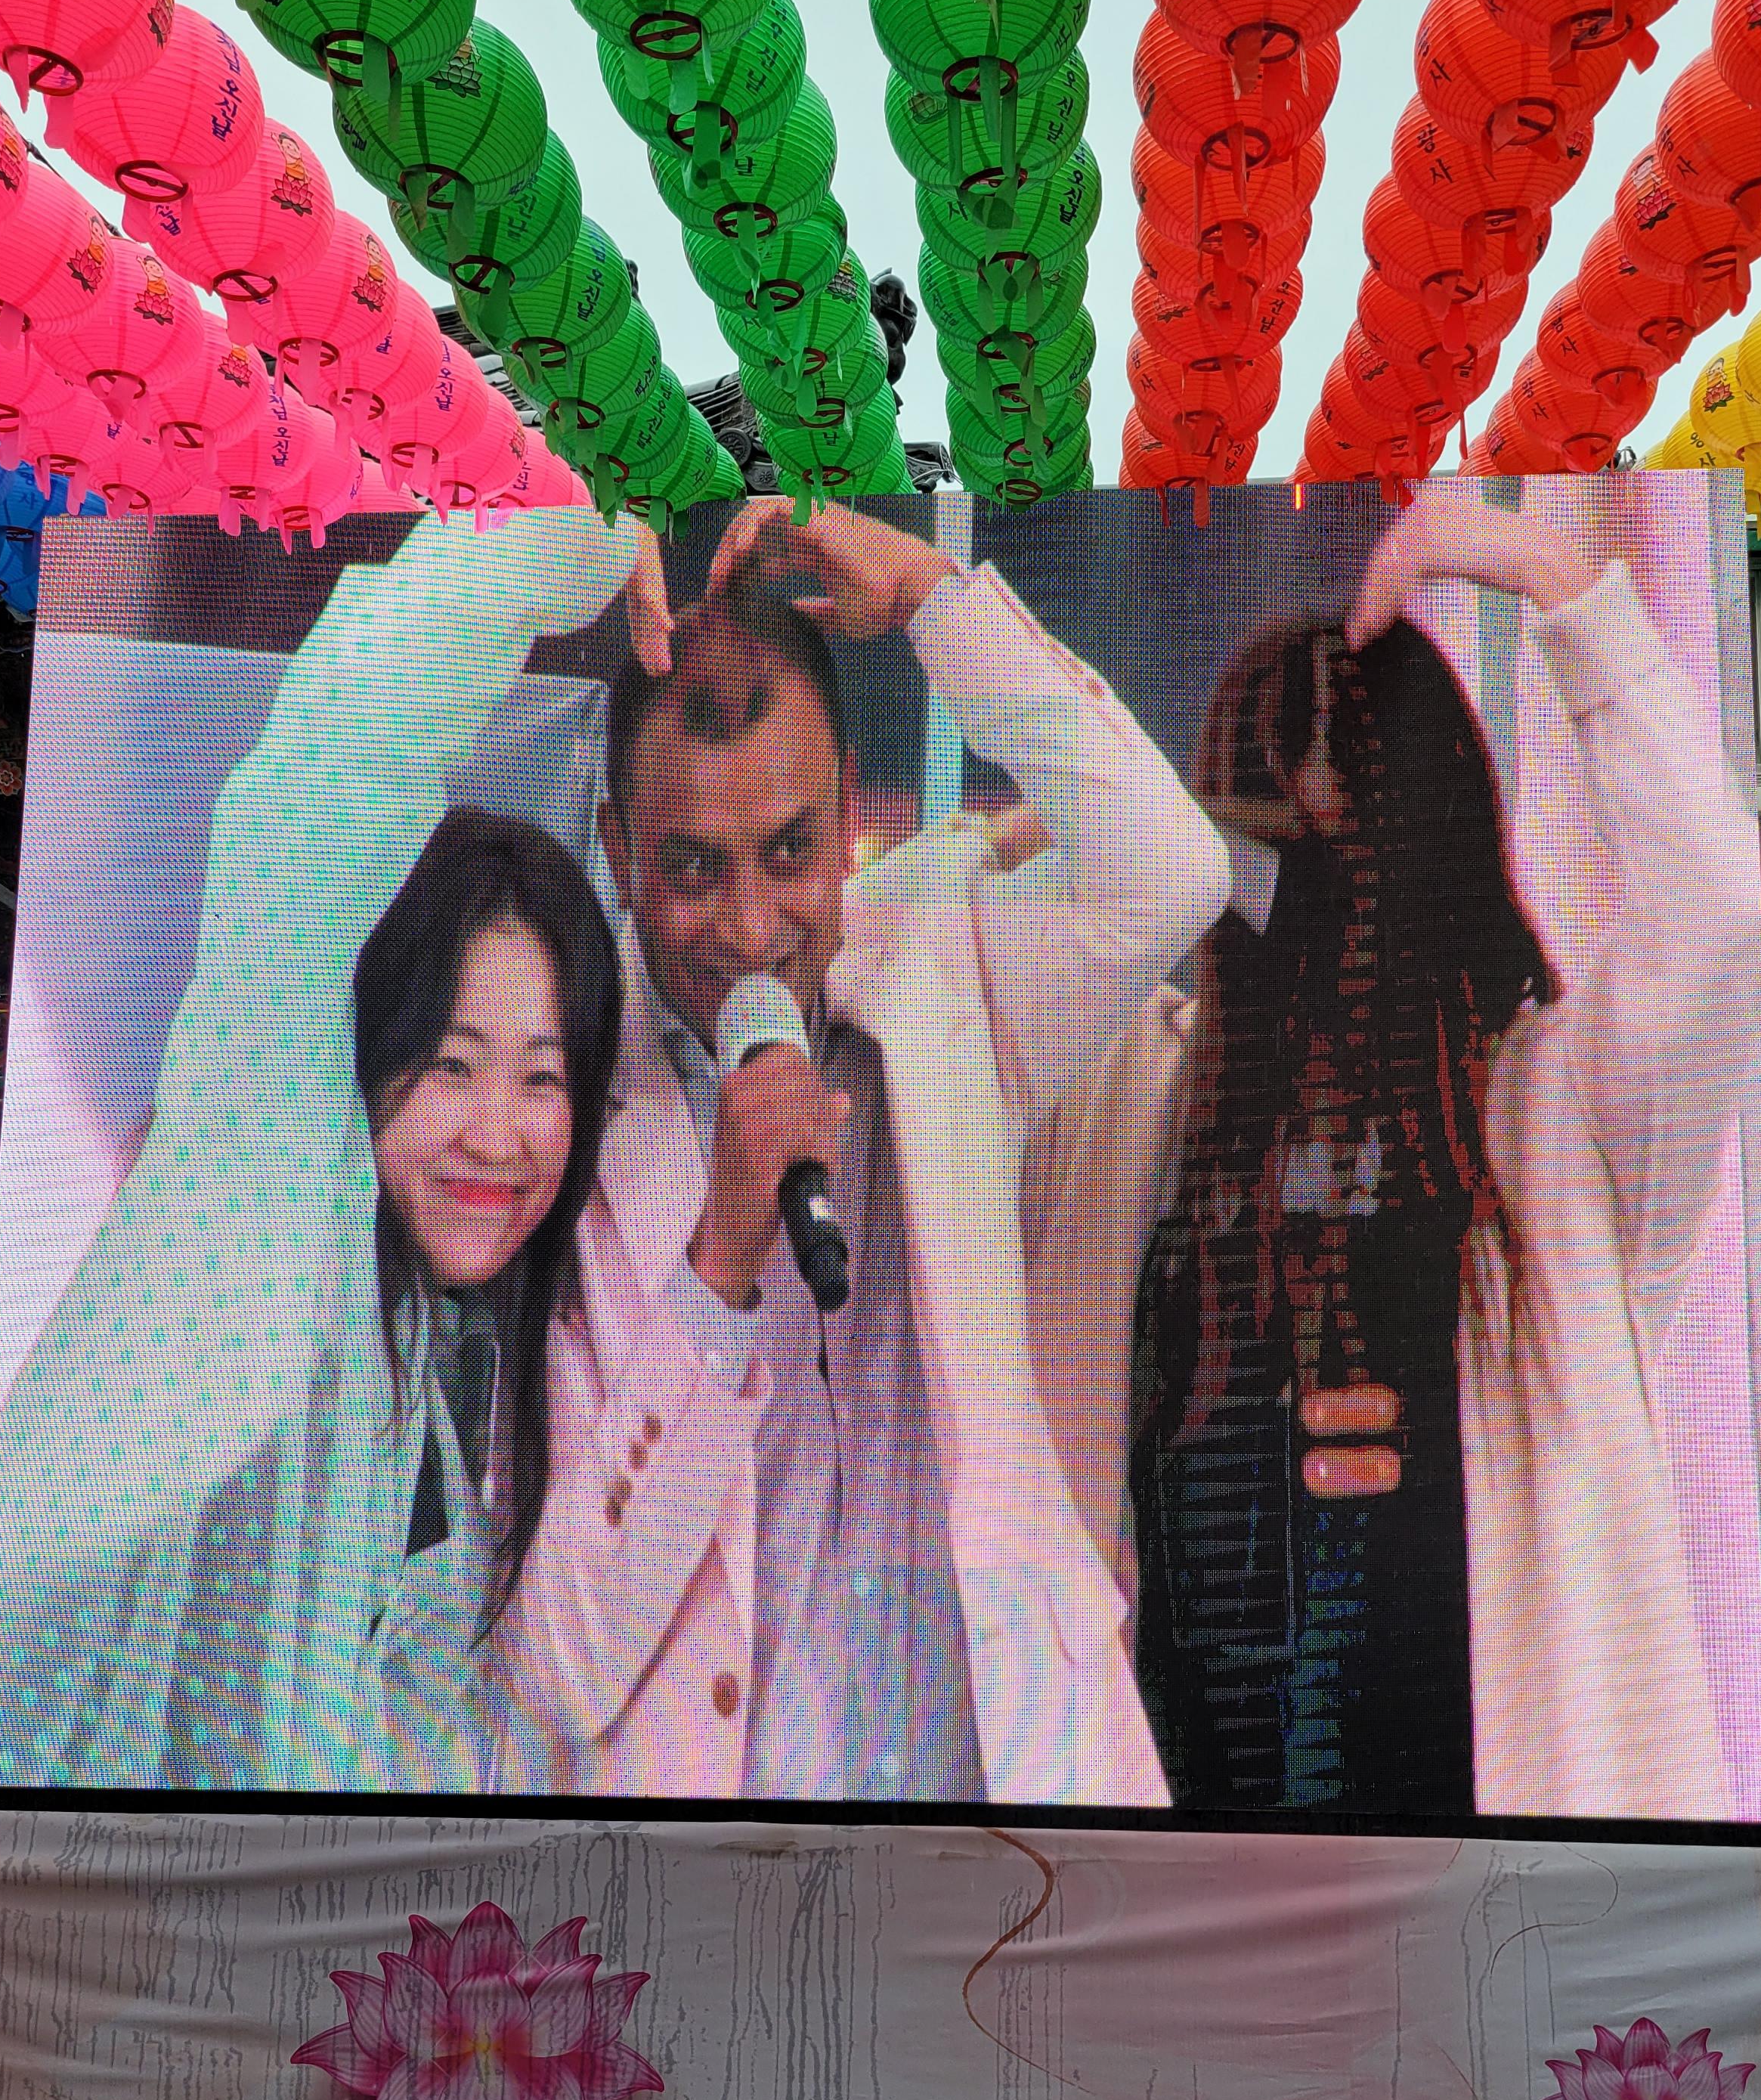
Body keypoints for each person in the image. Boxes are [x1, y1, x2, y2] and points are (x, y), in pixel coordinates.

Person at [494, 496, 1232, 1806]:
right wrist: (717, 1265)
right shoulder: (560, 1110)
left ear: (845, 818)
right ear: (618, 853)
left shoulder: (941, 974)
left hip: (999, 1815)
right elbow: (561, 1669)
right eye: (692, 869)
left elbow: (1172, 872)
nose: (751, 927)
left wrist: (937, 605)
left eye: (789, 853)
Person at [1046, 485, 1761, 1819]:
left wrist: (1541, 572)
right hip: (1181, 1837)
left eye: (1357, 841)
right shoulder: (1140, 1094)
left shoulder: (1548, 1111)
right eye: (1272, 838)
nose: (1319, 907)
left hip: (1487, 1846)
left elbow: (1713, 909)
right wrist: (1080, 822)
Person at [0, 506, 667, 1792]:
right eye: (451, 1061)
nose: (498, 1134)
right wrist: (584, 523)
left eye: (541, 1076)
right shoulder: (259, 1206)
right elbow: (331, 774)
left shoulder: (438, 1378)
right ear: (363, 1038)